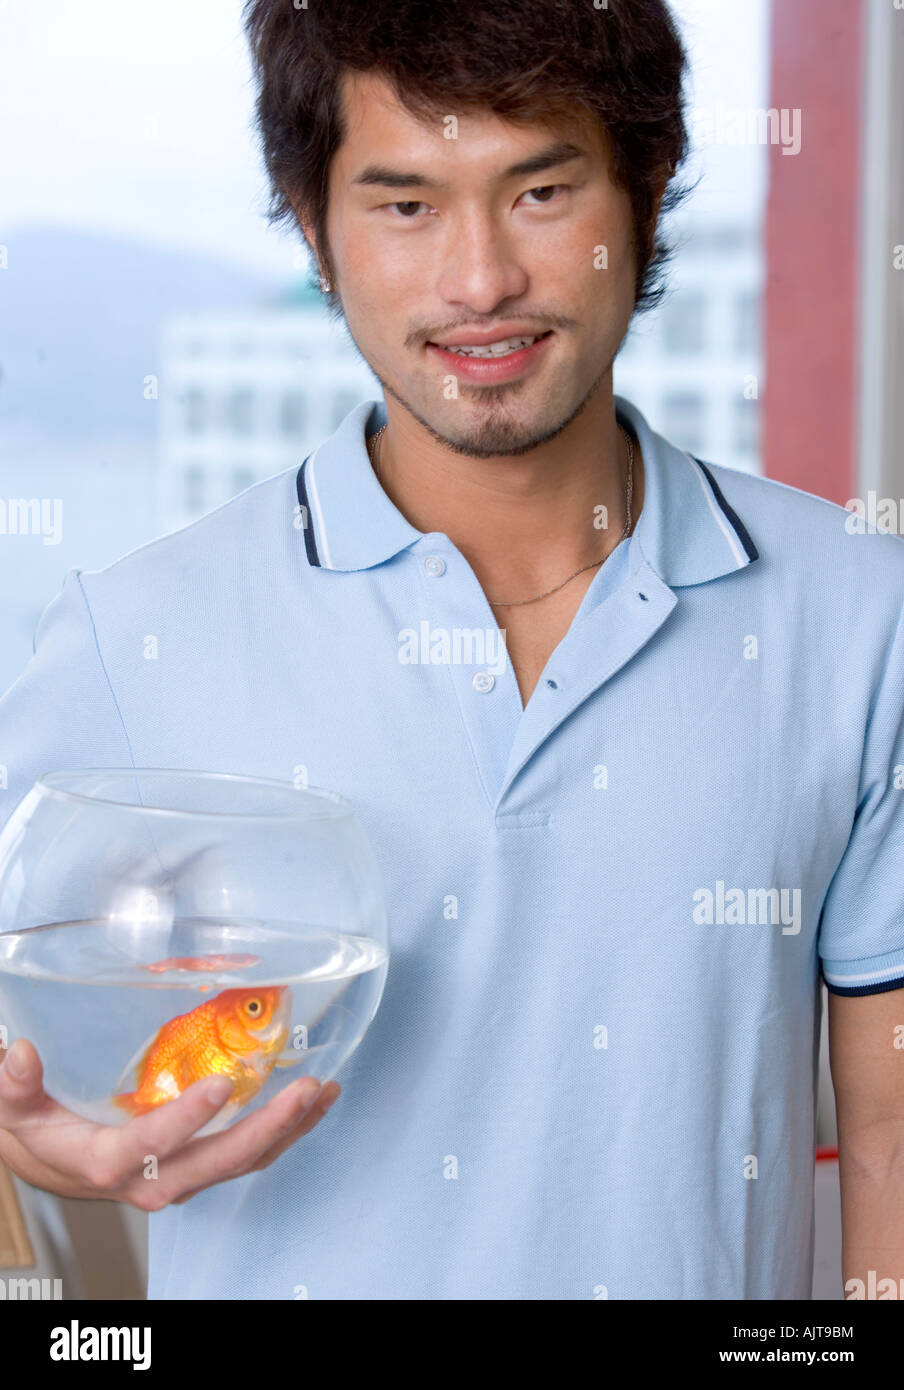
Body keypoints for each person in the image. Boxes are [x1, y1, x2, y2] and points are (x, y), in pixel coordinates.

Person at [1, 0, 903, 1300]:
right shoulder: (131, 634)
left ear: (644, 193)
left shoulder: (861, 617)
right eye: (406, 204)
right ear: (313, 228)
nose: (478, 280)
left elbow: (887, 1135)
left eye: (538, 189)